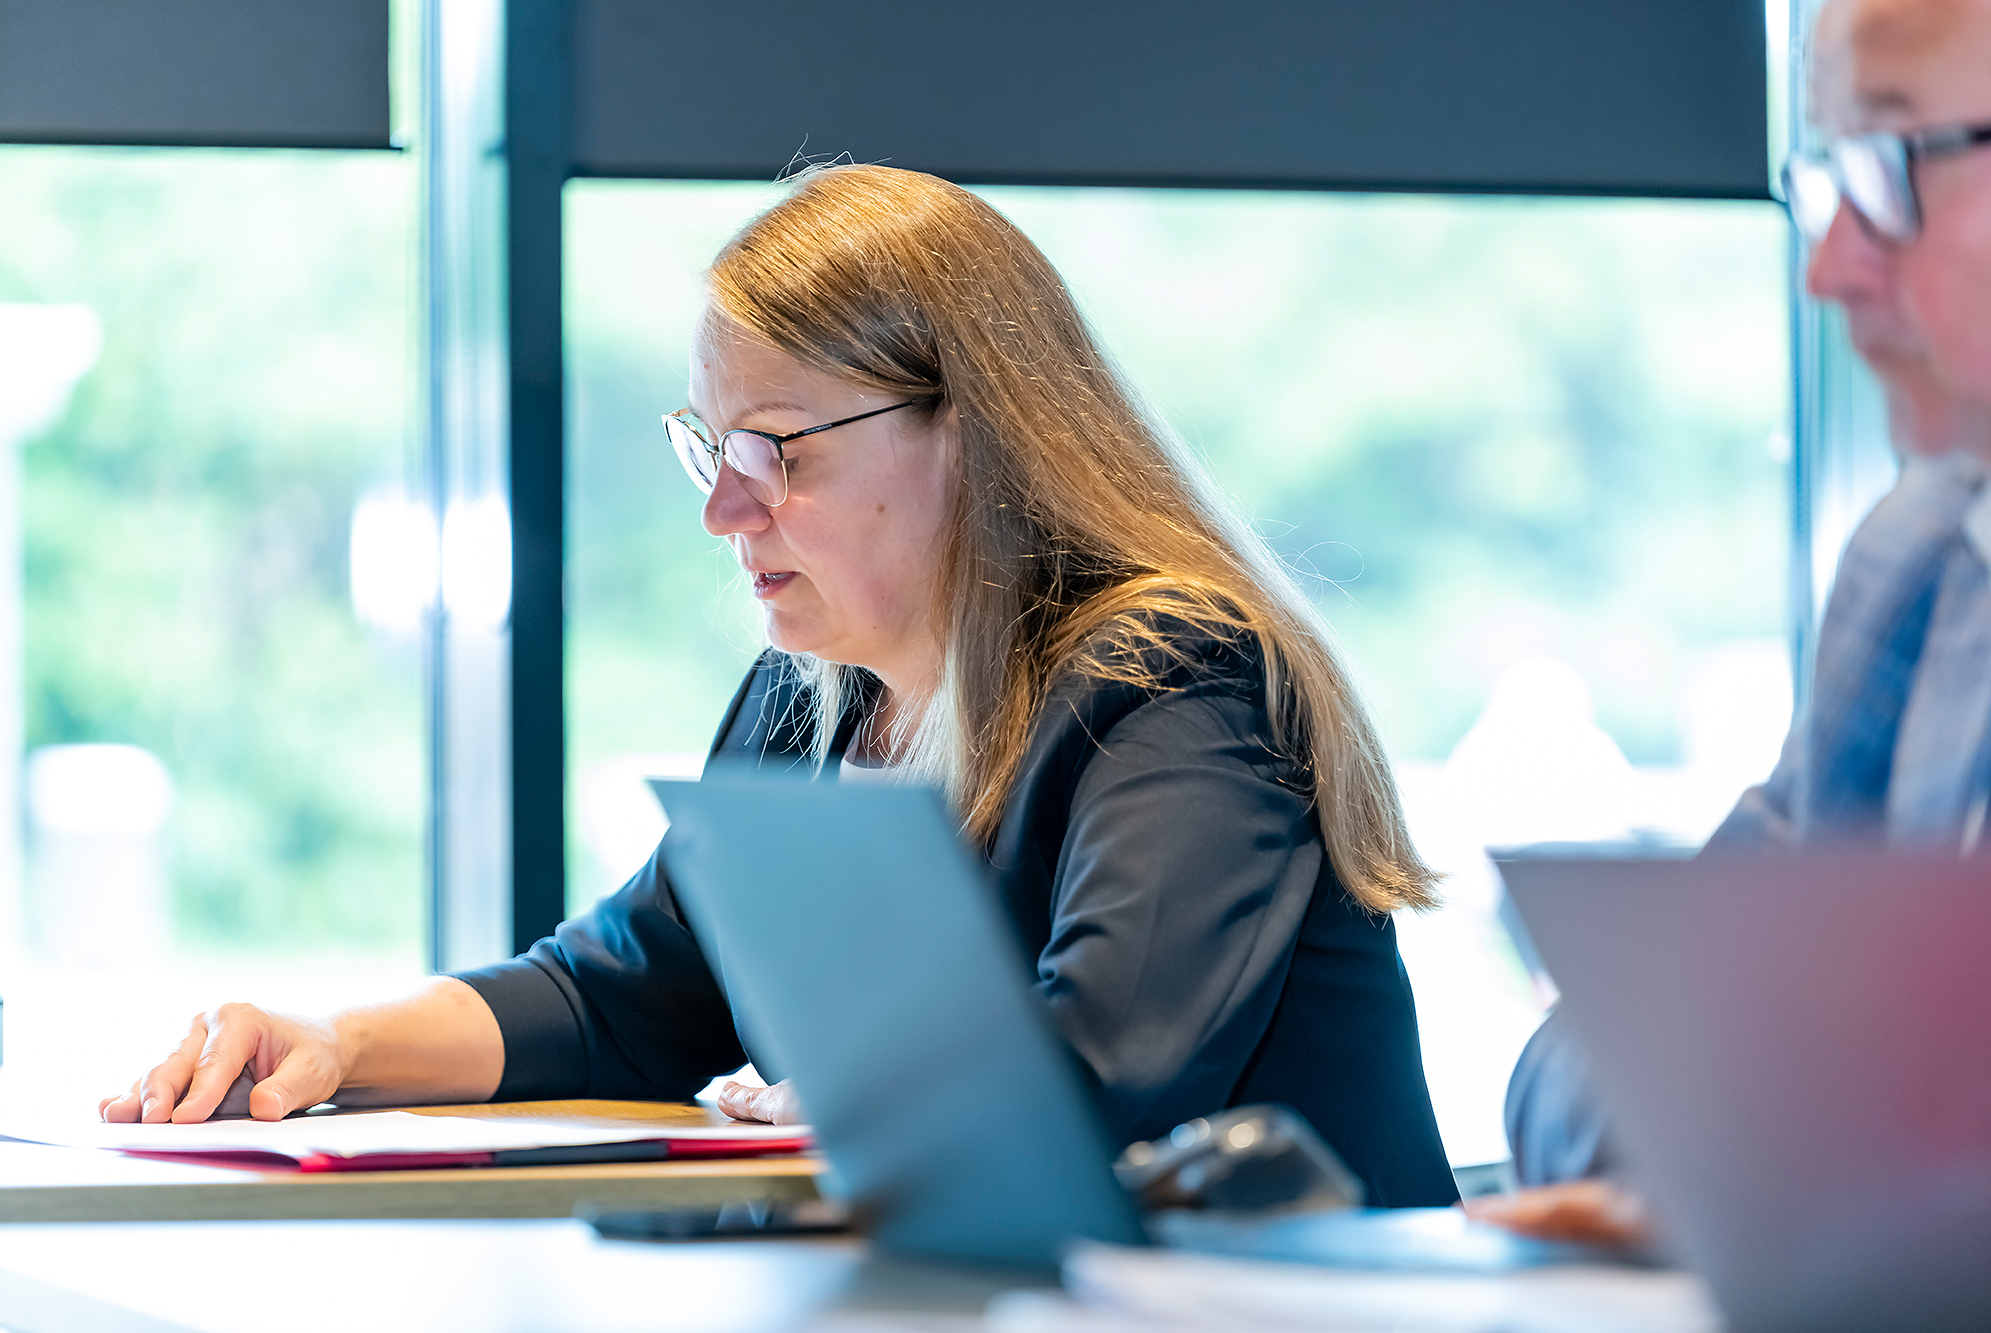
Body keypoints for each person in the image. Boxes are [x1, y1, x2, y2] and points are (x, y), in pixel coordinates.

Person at [101, 164, 1462, 1208]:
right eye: (712, 449)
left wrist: (849, 1093)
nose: (724, 512)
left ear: (970, 432)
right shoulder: (806, 696)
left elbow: (1100, 1074)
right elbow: (615, 998)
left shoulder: (1176, 678)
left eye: (774, 450)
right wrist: (331, 1042)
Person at [1478, 0, 1991, 1237]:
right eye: (1830, 183)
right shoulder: (1925, 565)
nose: (1829, 269)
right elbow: (1575, 1077)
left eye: (1890, 166)